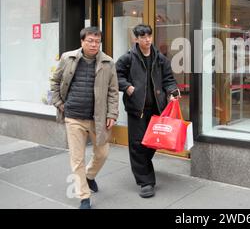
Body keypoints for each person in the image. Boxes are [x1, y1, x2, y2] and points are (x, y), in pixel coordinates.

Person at [50, 27, 119, 209]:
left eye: (97, 41)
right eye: (90, 40)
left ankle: (89, 176)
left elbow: (113, 91)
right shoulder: (67, 58)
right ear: (82, 41)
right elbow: (55, 81)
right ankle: (84, 196)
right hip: (73, 117)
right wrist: (59, 103)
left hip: (98, 118)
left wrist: (112, 114)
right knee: (77, 158)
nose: (94, 44)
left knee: (103, 153)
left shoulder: (108, 62)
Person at [116, 24, 180, 198]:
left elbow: (168, 79)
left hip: (156, 108)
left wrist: (173, 92)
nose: (147, 40)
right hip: (137, 109)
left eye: (149, 36)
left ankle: (142, 165)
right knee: (137, 144)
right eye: (143, 37)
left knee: (152, 142)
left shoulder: (160, 59)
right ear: (135, 39)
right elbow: (116, 76)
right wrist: (127, 87)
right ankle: (146, 182)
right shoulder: (127, 59)